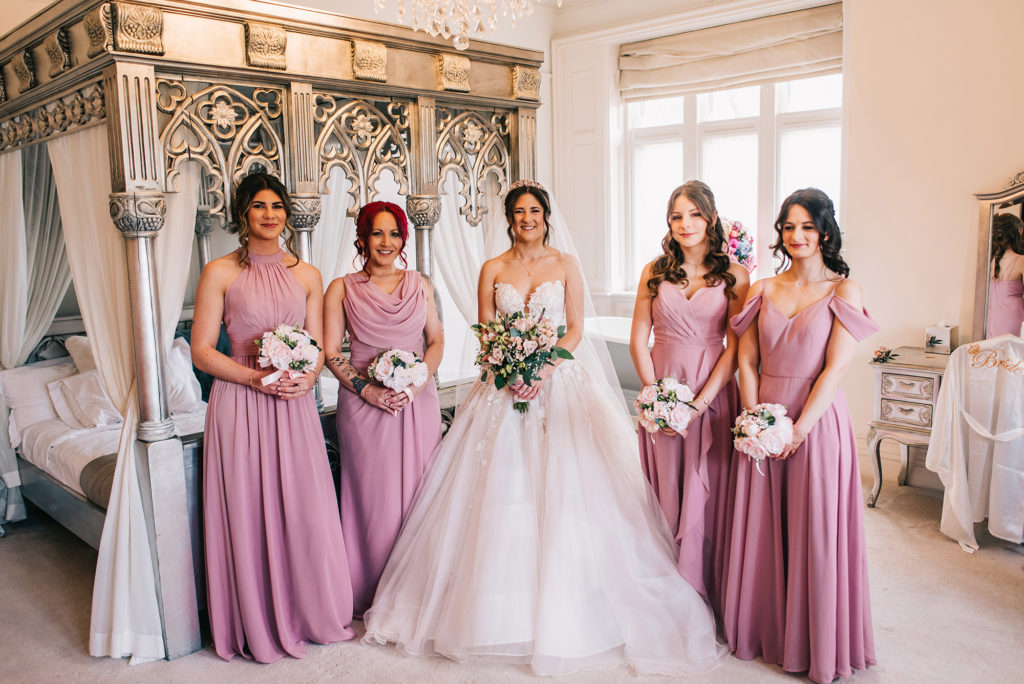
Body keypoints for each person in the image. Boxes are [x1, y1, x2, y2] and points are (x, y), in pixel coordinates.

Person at [363, 180, 726, 677]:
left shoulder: (564, 264)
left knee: (576, 489)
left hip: (558, 380)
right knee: (498, 493)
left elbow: (575, 328)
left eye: (535, 210)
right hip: (502, 387)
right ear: (509, 218)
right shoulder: (493, 268)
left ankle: (577, 602)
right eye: (519, 212)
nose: (527, 218)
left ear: (546, 216)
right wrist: (511, 369)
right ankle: (494, 609)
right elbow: (487, 331)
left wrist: (543, 368)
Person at [191, 173, 354, 662]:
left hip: (293, 401)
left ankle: (306, 611)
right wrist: (252, 379)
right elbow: (201, 351)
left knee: (302, 503)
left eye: (277, 205)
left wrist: (307, 379)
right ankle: (256, 619)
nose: (270, 214)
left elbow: (320, 346)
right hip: (241, 400)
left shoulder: (307, 275)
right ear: (243, 214)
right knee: (247, 502)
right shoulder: (218, 271)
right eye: (259, 206)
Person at [722, 188, 877, 683]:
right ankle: (764, 628)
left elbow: (835, 370)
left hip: (817, 421)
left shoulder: (843, 289)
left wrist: (800, 428)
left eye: (807, 226)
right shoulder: (762, 287)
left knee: (814, 530)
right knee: (763, 527)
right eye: (789, 227)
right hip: (764, 417)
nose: (797, 236)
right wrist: (755, 419)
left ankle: (816, 641)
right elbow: (746, 359)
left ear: (826, 231)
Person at [629, 180, 748, 615]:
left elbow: (736, 346)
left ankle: (704, 586)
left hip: (711, 389)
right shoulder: (654, 271)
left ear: (711, 218)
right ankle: (667, 587)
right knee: (666, 486)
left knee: (708, 488)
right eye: (677, 215)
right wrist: (654, 393)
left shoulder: (735, 274)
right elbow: (638, 338)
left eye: (694, 214)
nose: (685, 223)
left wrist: (700, 403)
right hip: (662, 386)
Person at [323, 201, 444, 617]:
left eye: (394, 233)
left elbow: (437, 342)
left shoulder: (419, 284)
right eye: (377, 233)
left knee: (419, 495)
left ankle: (417, 593)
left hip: (416, 402)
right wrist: (365, 390)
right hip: (364, 407)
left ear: (403, 239)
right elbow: (331, 353)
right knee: (372, 502)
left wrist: (417, 382)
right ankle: (370, 592)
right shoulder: (341, 288)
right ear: (362, 237)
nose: (386, 242)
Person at [986, 212, 1024, 338]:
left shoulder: (988, 259)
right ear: (1017, 233)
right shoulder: (1021, 260)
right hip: (1013, 318)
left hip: (991, 316)